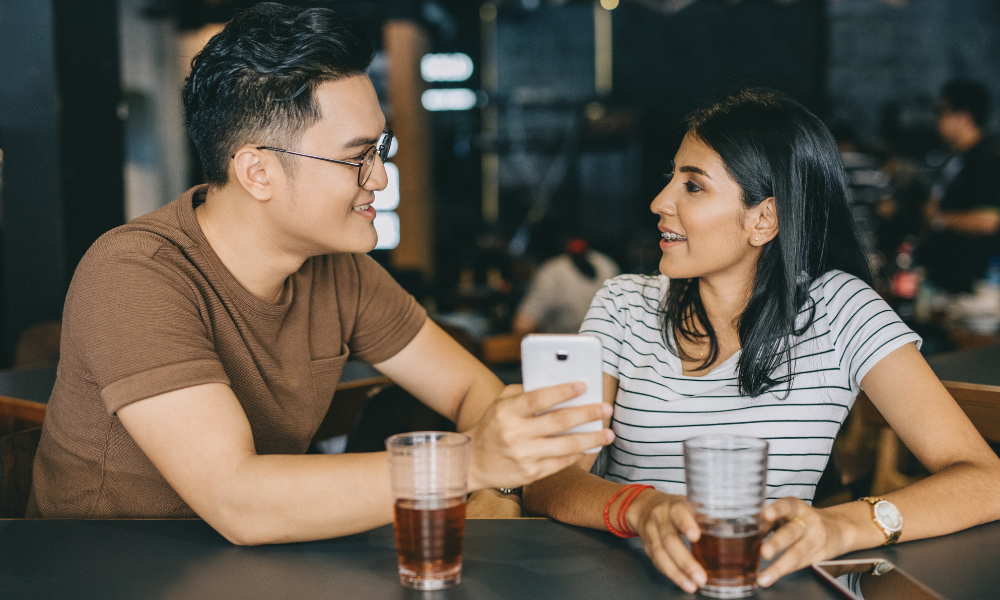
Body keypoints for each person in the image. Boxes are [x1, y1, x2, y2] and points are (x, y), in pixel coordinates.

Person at [27, 3, 613, 541]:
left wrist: (500, 486)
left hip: (259, 567)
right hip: (106, 569)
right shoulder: (135, 274)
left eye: (379, 150)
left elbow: (467, 388)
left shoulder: (338, 271)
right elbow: (238, 501)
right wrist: (471, 465)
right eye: (357, 156)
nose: (380, 179)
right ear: (258, 172)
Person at [522, 89, 1000, 593]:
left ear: (763, 219)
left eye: (693, 186)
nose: (660, 202)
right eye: (672, 178)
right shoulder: (623, 305)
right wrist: (641, 508)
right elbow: (547, 481)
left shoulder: (839, 310)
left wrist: (842, 526)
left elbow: (985, 479)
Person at [922, 79, 1000, 293]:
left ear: (964, 117)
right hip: (946, 278)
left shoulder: (986, 161)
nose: (937, 119)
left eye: (943, 111)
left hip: (971, 283)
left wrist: (938, 219)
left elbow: (988, 221)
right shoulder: (957, 158)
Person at [513, 238, 620, 335]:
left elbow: (523, 326)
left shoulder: (552, 272)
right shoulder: (608, 264)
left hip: (567, 349)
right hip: (605, 348)